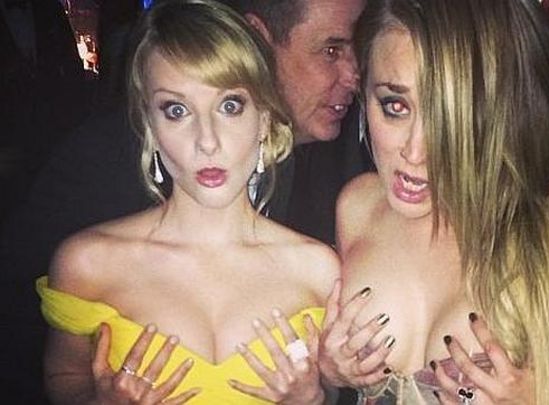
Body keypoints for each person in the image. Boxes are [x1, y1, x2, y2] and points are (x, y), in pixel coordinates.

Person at [0, 0, 368, 402]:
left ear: (264, 117)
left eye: (230, 106)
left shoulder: (318, 271)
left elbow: (336, 384)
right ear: (150, 125)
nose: (206, 141)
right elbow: (63, 376)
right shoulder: (86, 264)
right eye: (176, 110)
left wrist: (314, 398)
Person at [318, 0, 549, 404]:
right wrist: (330, 371)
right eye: (395, 106)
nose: (415, 153)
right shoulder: (357, 206)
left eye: (450, 117)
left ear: (502, 112)